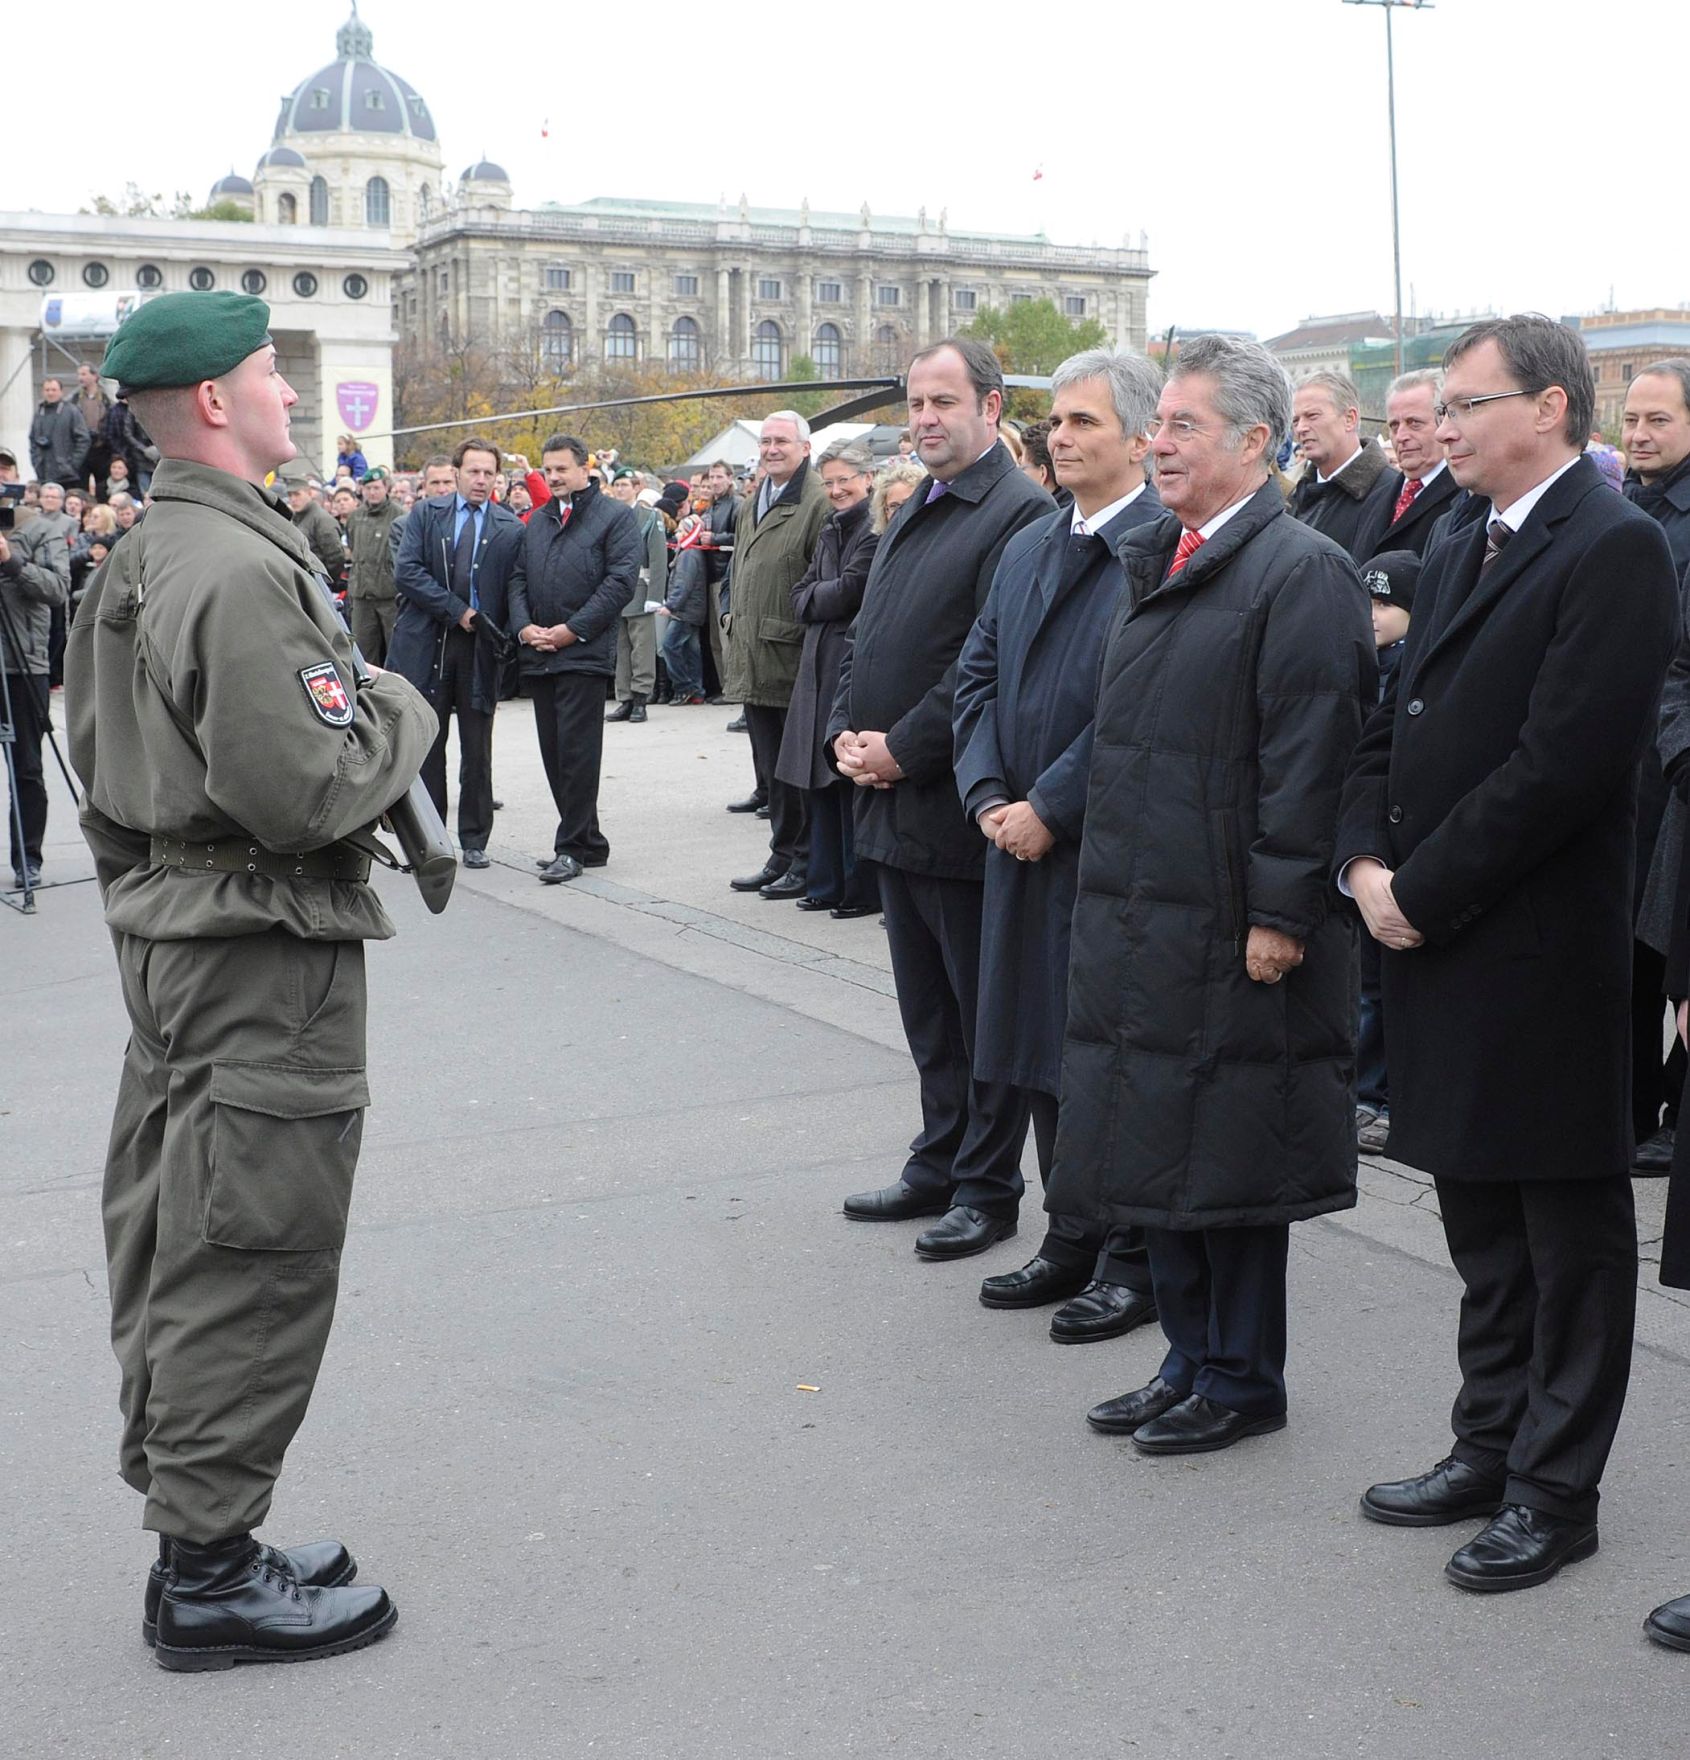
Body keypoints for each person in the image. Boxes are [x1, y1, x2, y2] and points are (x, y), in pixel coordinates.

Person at [65, 288, 433, 1670]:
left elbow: (108, 781)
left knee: (181, 1235)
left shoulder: (167, 547)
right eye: (269, 373)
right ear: (214, 401)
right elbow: (304, 791)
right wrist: (401, 706)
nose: (290, 392)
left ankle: (201, 1527)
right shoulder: (224, 567)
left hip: (188, 939)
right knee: (250, 1253)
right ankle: (209, 1575)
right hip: (258, 954)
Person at [1337, 314, 1678, 1593]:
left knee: (1565, 1231)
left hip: (1536, 948)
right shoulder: (1453, 539)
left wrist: (1419, 886)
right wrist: (1361, 865)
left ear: (1546, 407)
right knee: (1479, 1214)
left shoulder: (1614, 546)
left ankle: (1554, 1486)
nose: (1440, 424)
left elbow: (1566, 763)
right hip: (1429, 928)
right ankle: (1486, 1440)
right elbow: (1391, 722)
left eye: (1467, 403)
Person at [1048, 334, 1371, 1452]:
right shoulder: (1168, 555)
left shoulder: (1300, 571)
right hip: (1147, 912)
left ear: (1254, 442)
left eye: (1182, 425)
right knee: (1153, 1148)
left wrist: (1282, 915)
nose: (1157, 442)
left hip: (1233, 924)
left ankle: (1240, 1377)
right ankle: (1186, 1357)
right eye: (1159, 422)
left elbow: (1311, 759)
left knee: (1231, 1156)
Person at [953, 347, 1165, 1341]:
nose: (1061, 437)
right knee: (1032, 1042)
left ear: (1138, 435)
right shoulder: (1034, 542)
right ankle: (1068, 1231)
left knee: (1104, 1056)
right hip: (1015, 837)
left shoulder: (1159, 548)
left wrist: (1051, 803)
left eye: (1084, 421)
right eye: (1058, 422)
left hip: (1100, 849)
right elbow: (978, 673)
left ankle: (1131, 1256)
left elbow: (1134, 708)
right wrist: (989, 791)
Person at [832, 337, 1051, 1259]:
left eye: (942, 401)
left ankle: (985, 1185)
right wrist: (847, 728)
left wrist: (904, 750)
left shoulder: (1015, 512)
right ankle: (939, 1157)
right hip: (888, 798)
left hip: (956, 801)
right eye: (914, 403)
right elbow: (873, 629)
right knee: (928, 1009)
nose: (924, 418)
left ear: (992, 408)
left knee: (978, 1010)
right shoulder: (922, 499)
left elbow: (982, 661)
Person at [508, 434, 642, 882]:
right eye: (548, 470)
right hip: (541, 653)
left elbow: (619, 583)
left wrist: (572, 630)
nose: (554, 477)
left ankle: (570, 846)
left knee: (578, 754)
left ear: (585, 468)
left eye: (562, 469)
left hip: (582, 654)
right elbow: (519, 577)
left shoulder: (615, 518)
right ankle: (590, 842)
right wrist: (524, 626)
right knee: (554, 753)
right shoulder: (539, 519)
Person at [390, 436, 524, 868]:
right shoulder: (427, 515)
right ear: (458, 472)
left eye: (489, 473)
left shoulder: (510, 528)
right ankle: (429, 842)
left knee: (477, 749)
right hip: (429, 644)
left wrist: (513, 634)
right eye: (473, 471)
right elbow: (407, 571)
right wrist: (458, 611)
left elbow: (514, 588)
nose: (481, 480)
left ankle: (475, 839)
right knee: (427, 746)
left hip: (480, 653)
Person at [1623, 360, 1690, 1175]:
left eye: (1659, 421)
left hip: (1670, 772)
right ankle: (1639, 1108)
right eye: (1632, 420)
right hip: (1631, 767)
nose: (1639, 435)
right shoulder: (1627, 505)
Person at [774, 440, 881, 916]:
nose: (837, 490)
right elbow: (803, 593)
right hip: (819, 661)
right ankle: (825, 881)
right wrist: (821, 597)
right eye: (830, 481)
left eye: (845, 480)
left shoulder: (874, 530)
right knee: (820, 780)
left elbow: (850, 591)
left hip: (846, 660)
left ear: (868, 478)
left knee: (845, 782)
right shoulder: (831, 529)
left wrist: (819, 597)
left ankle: (856, 889)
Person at [724, 412, 828, 899]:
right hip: (752, 653)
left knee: (795, 773)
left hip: (790, 657)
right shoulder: (752, 504)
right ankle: (782, 855)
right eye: (765, 441)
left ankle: (805, 861)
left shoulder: (818, 503)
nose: (771, 449)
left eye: (781, 441)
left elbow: (821, 580)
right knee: (769, 768)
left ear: (805, 448)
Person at [1353, 549, 1420, 1158]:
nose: (1371, 615)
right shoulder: (1358, 661)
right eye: (1365, 601)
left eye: (1385, 604)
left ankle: (1374, 1094)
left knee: (1376, 989)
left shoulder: (1407, 669)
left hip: (1393, 845)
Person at [0, 463, 70, 889]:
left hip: (22, 665)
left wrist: (11, 561)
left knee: (26, 768)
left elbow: (57, 589)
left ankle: (28, 858)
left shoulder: (39, 529)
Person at [1288, 370, 1402, 561]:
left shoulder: (1391, 493)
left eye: (1312, 416)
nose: (1301, 428)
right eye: (1296, 420)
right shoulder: (1293, 496)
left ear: (1349, 419)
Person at [1366, 369, 1463, 557]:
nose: (1401, 436)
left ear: (1444, 421)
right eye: (1394, 426)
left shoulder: (1467, 497)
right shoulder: (1375, 498)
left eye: (1414, 423)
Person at [604, 468, 664, 723]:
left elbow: (659, 557)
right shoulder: (608, 517)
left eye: (625, 485)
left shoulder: (649, 516)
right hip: (615, 592)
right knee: (621, 649)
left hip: (640, 590)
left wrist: (655, 595)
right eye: (616, 485)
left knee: (642, 649)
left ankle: (641, 699)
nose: (620, 489)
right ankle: (625, 699)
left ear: (637, 487)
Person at [345, 467, 401, 664]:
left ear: (386, 488)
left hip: (390, 596)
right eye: (368, 488)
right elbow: (352, 546)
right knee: (363, 654)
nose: (372, 492)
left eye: (376, 487)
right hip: (362, 595)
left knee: (396, 652)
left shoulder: (399, 515)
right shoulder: (355, 517)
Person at [29, 377, 90, 490]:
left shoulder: (72, 411)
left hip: (66, 476)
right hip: (43, 472)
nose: (50, 393)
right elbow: (33, 440)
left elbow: (83, 439)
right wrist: (36, 461)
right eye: (47, 390)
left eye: (53, 390)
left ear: (61, 392)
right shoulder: (38, 413)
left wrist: (72, 465)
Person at [284, 471, 345, 579]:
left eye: (297, 494)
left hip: (317, 581)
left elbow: (336, 558)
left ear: (309, 493)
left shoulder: (322, 519)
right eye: (290, 495)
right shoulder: (295, 518)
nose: (293, 499)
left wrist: (324, 581)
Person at [75, 361, 114, 492]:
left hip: (101, 448)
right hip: (82, 448)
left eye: (84, 374)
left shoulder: (106, 399)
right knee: (81, 486)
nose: (80, 378)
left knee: (102, 486)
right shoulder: (76, 399)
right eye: (79, 374)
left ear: (94, 376)